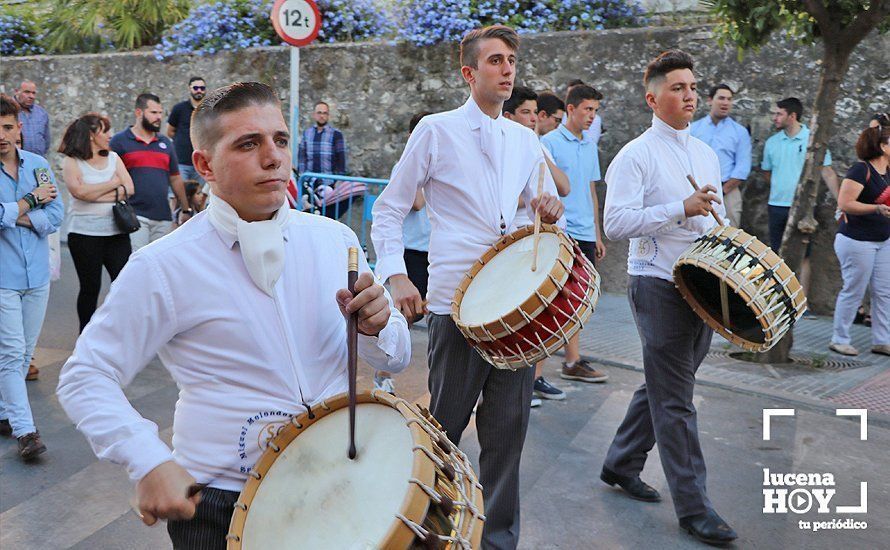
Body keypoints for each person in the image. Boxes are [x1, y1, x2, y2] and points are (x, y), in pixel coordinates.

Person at [56, 82, 411, 549]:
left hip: (341, 482)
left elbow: (396, 359)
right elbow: (86, 374)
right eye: (249, 143)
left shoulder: (334, 239)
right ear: (205, 165)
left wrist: (381, 326)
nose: (274, 158)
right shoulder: (163, 265)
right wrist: (148, 459)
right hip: (224, 504)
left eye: (280, 140)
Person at [371, 25, 565, 549]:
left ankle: (499, 540)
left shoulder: (527, 139)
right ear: (469, 72)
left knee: (508, 434)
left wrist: (547, 209)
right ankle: (420, 531)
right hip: (455, 304)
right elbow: (388, 209)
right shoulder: (435, 130)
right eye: (496, 61)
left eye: (511, 62)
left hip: (518, 307)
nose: (507, 70)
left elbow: (539, 212)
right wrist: (396, 275)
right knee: (445, 430)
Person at [601, 50, 738, 545]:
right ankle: (695, 508)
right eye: (677, 87)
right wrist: (680, 208)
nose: (689, 95)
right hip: (656, 280)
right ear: (652, 97)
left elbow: (711, 216)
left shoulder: (705, 152)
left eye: (692, 86)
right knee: (676, 397)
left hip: (701, 283)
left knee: (666, 382)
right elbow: (615, 223)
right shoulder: (634, 154)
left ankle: (620, 462)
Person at [0, 94, 64, 460]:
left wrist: (14, 214)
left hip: (36, 274)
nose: (2, 135)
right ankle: (26, 431)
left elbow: (56, 214)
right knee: (10, 353)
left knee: (23, 352)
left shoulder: (38, 165)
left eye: (8, 126)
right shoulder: (35, 184)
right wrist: (29, 202)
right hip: (3, 278)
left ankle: (5, 413)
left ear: (19, 128)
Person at [502, 86, 570, 406]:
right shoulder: (502, 149)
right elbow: (502, 203)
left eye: (534, 113)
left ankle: (530, 380)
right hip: (508, 250)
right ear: (509, 116)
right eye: (526, 113)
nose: (532, 119)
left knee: (538, 319)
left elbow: (562, 188)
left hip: (537, 244)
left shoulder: (535, 146)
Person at [542, 84, 610, 385]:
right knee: (554, 299)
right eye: (587, 109)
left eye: (595, 111)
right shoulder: (549, 142)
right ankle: (537, 371)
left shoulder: (590, 145)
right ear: (570, 109)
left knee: (580, 299)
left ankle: (572, 360)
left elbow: (591, 191)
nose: (592, 117)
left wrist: (597, 233)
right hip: (561, 231)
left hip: (585, 232)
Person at [374, 111, 433, 395]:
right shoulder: (405, 165)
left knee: (431, 313)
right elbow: (418, 203)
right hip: (411, 248)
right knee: (405, 314)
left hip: (432, 248)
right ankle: (382, 371)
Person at [59, 113, 136, 332]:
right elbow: (79, 192)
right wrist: (113, 184)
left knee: (124, 285)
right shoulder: (72, 161)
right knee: (90, 288)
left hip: (116, 233)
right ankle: (86, 337)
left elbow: (129, 189)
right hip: (84, 235)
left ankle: (117, 333)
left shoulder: (114, 158)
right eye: (106, 130)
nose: (111, 135)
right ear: (92, 135)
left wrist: (94, 194)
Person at [762, 97, 839, 298]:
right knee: (777, 252)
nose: (774, 118)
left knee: (805, 254)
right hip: (776, 205)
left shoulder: (812, 139)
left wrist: (842, 202)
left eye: (779, 113)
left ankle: (801, 301)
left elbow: (827, 172)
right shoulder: (772, 143)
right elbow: (767, 173)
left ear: (792, 116)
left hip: (803, 207)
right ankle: (777, 300)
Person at [829, 118, 890, 357]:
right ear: (883, 146)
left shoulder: (888, 173)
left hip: (883, 240)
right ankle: (839, 338)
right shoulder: (860, 170)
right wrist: (876, 209)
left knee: (884, 291)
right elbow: (845, 203)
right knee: (854, 289)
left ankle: (882, 340)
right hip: (856, 240)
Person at [110, 93, 192, 250]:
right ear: (139, 113)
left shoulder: (165, 143)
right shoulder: (119, 141)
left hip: (163, 217)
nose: (159, 117)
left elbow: (175, 178)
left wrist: (186, 208)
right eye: (153, 113)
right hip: (134, 215)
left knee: (159, 268)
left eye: (161, 113)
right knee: (137, 266)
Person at [690, 84, 752, 227]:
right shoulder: (693, 129)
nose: (726, 103)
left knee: (729, 235)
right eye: (721, 98)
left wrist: (723, 191)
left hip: (728, 191)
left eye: (729, 99)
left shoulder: (740, 132)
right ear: (710, 100)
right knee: (694, 231)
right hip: (697, 189)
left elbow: (742, 167)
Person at [297, 101, 348, 217]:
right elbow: (302, 157)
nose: (322, 115)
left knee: (328, 217)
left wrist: (338, 181)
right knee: (309, 216)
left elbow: (341, 159)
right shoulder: (307, 134)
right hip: (309, 184)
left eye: (325, 113)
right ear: (314, 115)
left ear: (328, 115)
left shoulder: (336, 134)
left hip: (328, 184)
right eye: (319, 112)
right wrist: (302, 176)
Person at [167, 76, 207, 184]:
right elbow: (170, 132)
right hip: (181, 162)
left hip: (202, 162)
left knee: (200, 199)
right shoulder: (179, 109)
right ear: (190, 88)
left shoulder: (210, 111)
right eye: (196, 88)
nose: (199, 90)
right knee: (180, 197)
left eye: (202, 88)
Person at [14, 80, 50, 158]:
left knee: (43, 170)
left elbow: (46, 141)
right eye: (27, 92)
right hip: (17, 162)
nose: (31, 96)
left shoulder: (42, 113)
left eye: (33, 93)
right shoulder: (8, 110)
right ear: (17, 92)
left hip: (39, 162)